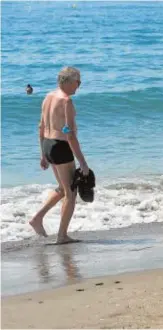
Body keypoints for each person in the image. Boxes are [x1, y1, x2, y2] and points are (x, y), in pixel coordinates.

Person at [29, 66, 89, 244]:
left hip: (48, 144)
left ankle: (37, 219)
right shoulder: (66, 102)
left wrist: (43, 154)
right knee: (71, 194)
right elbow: (70, 135)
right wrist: (83, 162)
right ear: (68, 81)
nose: (79, 85)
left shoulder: (48, 97)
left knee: (63, 189)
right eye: (78, 81)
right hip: (60, 147)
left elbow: (41, 126)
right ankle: (62, 236)